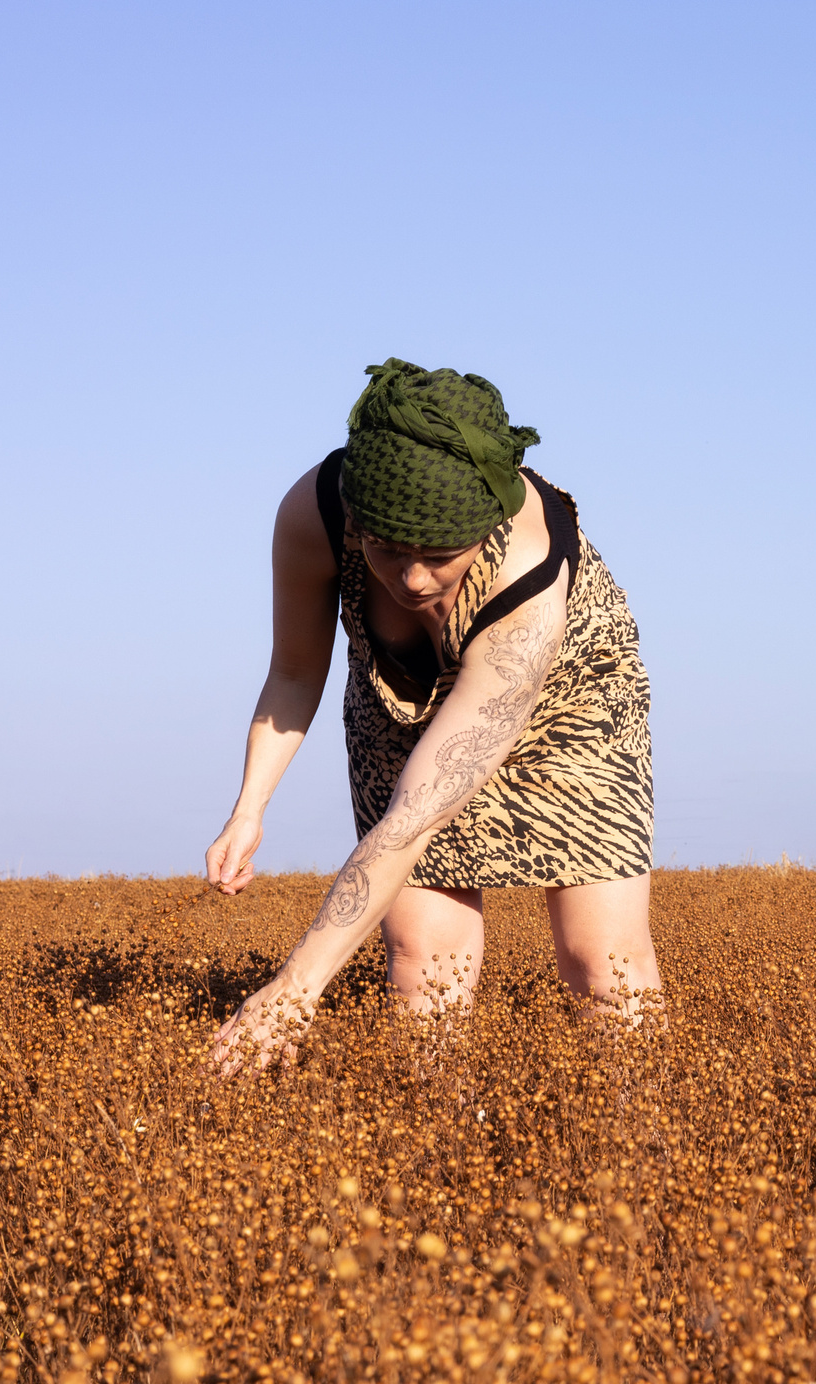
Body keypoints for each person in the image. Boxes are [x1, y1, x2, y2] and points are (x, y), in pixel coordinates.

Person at [204, 360, 659, 1069]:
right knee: (422, 962)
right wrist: (249, 806)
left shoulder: (528, 581)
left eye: (440, 555)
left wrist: (297, 987)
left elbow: (414, 820)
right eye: (386, 548)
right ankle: (434, 1153)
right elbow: (294, 670)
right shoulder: (315, 512)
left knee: (603, 963)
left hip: (571, 707)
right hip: (397, 702)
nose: (412, 579)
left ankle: (642, 1152)